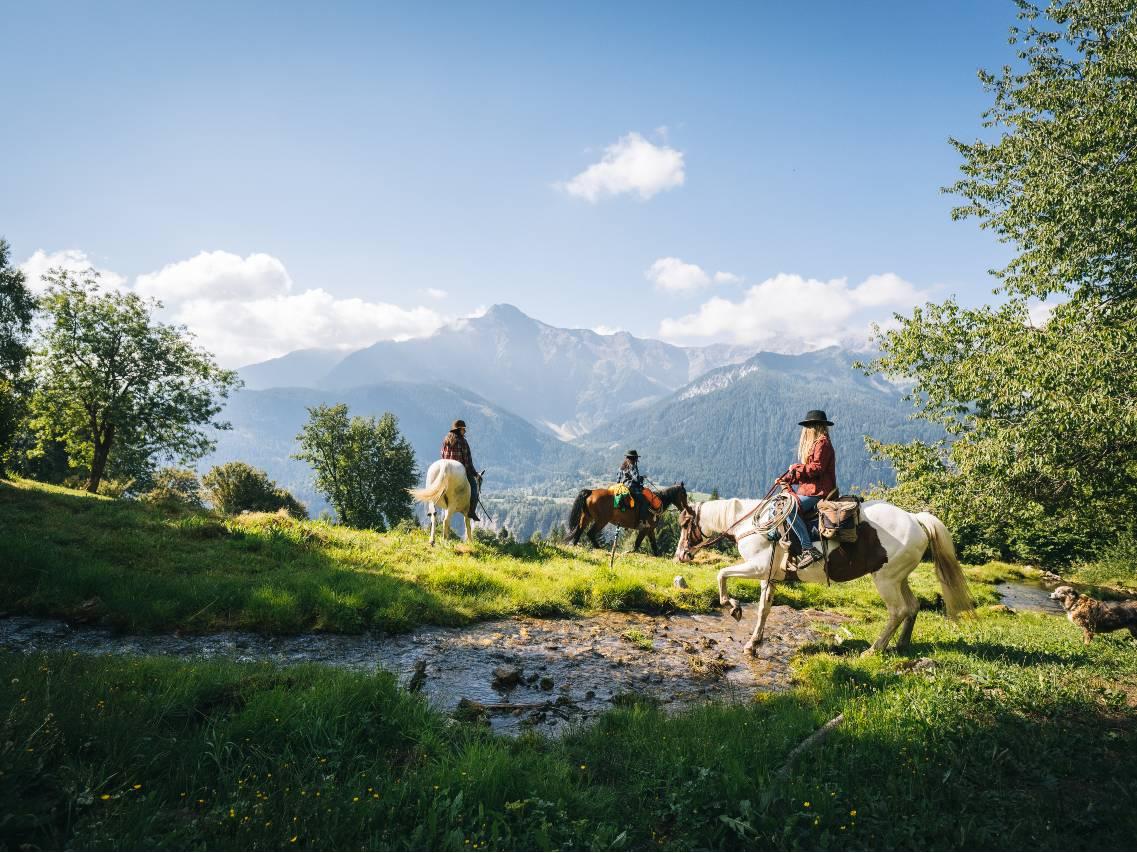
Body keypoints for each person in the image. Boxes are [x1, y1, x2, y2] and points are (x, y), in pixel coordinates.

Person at [777, 410, 838, 569]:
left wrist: (796, 468)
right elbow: (808, 473)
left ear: (814, 427)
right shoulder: (818, 444)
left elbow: (816, 469)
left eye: (808, 426)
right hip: (811, 489)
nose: (805, 431)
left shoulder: (822, 443)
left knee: (789, 508)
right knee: (782, 505)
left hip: (819, 492)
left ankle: (808, 548)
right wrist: (788, 478)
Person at [441, 419, 480, 521]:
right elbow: (467, 461)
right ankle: (471, 511)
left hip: (446, 470)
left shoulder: (446, 440)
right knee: (474, 489)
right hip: (460, 471)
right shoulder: (463, 441)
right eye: (463, 429)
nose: (465, 431)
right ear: (458, 430)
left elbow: (442, 456)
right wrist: (475, 474)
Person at [616, 449, 650, 521]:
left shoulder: (621, 467)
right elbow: (636, 479)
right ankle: (641, 521)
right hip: (631, 487)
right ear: (634, 458)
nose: (636, 460)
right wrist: (642, 477)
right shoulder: (632, 466)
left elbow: (618, 480)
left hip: (621, 488)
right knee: (645, 501)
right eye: (636, 458)